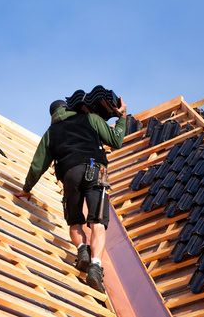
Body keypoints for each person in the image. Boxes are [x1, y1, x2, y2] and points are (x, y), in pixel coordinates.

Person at [16, 96, 126, 292]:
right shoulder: (90, 119)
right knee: (97, 223)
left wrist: (27, 188)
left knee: (75, 221)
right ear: (69, 108)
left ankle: (82, 250)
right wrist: (122, 118)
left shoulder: (51, 133)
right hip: (96, 171)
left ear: (52, 115)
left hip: (69, 175)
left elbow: (37, 165)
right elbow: (116, 140)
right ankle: (95, 267)